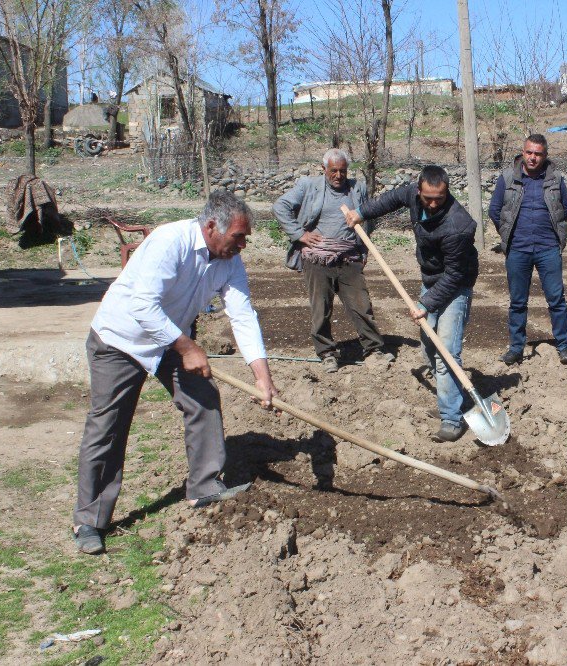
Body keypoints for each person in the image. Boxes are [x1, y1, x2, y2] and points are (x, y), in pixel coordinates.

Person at [72, 191, 278, 555]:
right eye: (239, 237)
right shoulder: (170, 241)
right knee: (108, 425)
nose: (243, 245)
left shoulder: (229, 260)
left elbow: (243, 314)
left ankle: (205, 488)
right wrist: (188, 348)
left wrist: (262, 376)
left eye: (246, 238)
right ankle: (89, 520)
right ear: (212, 226)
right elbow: (142, 305)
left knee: (203, 400)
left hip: (170, 337)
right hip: (121, 339)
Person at [342, 166, 478, 442]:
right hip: (431, 278)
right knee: (428, 348)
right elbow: (390, 199)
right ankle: (450, 398)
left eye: (439, 198)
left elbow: (453, 277)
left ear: (447, 192)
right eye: (428, 197)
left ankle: (451, 419)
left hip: (456, 285)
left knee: (446, 353)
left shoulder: (459, 225)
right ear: (419, 191)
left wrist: (426, 304)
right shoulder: (414, 196)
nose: (432, 203)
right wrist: (362, 213)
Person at [273, 148, 391, 373]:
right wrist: (300, 234)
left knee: (361, 305)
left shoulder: (358, 188)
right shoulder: (309, 186)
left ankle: (373, 350)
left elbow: (368, 218)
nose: (338, 176)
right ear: (324, 169)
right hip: (317, 257)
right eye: (333, 171)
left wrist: (363, 250)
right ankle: (326, 352)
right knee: (321, 307)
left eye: (343, 171)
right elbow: (280, 207)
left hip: (349, 257)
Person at [488, 133, 567, 365]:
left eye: (538, 154)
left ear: (545, 155)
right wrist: (507, 233)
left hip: (548, 249)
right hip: (518, 249)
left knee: (556, 299)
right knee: (518, 301)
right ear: (523, 152)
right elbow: (494, 210)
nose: (533, 158)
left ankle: (564, 345)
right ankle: (516, 347)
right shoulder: (507, 179)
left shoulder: (556, 180)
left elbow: (564, 211)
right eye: (529, 153)